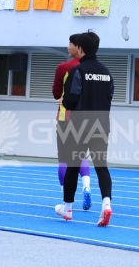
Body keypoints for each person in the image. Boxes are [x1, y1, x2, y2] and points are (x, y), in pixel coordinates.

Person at [54, 31, 114, 226]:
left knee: (73, 166)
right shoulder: (107, 72)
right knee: (101, 167)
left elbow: (71, 99)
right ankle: (106, 204)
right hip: (102, 125)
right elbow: (109, 97)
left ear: (80, 49)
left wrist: (64, 101)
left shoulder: (77, 71)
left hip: (79, 126)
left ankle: (68, 208)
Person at [53, 34, 94, 211]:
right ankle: (86, 187)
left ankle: (66, 200)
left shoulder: (65, 67)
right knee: (80, 155)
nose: (67, 47)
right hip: (88, 118)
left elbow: (56, 93)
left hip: (66, 117)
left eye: (70, 44)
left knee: (64, 158)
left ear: (79, 47)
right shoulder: (94, 69)